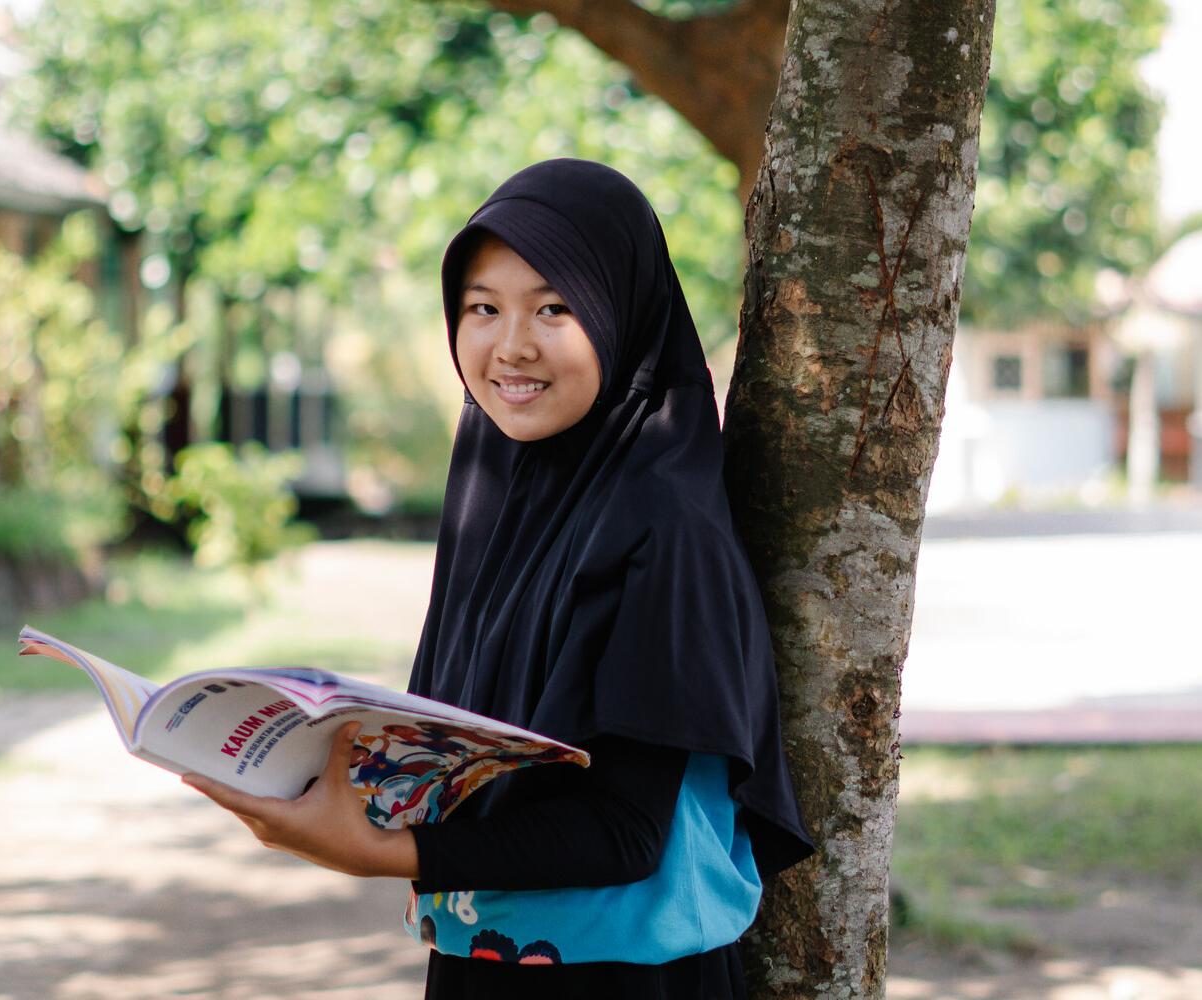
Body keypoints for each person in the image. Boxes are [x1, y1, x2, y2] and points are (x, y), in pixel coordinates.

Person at [183, 158, 814, 998]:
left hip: (623, 980)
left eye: (553, 308)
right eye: (482, 308)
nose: (509, 345)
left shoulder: (665, 526)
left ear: (620, 314)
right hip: (487, 957)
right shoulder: (500, 489)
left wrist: (379, 853)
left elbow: (627, 832)